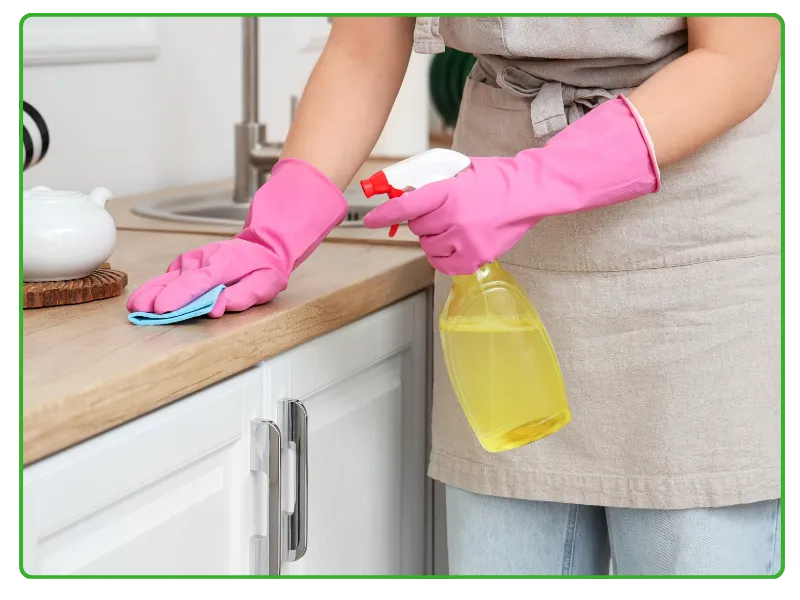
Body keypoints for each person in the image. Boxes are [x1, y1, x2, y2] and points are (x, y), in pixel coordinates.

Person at [127, 16, 783, 576]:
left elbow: (737, 57)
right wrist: (275, 230)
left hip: (692, 242)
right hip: (500, 247)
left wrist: (535, 181)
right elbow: (365, 43)